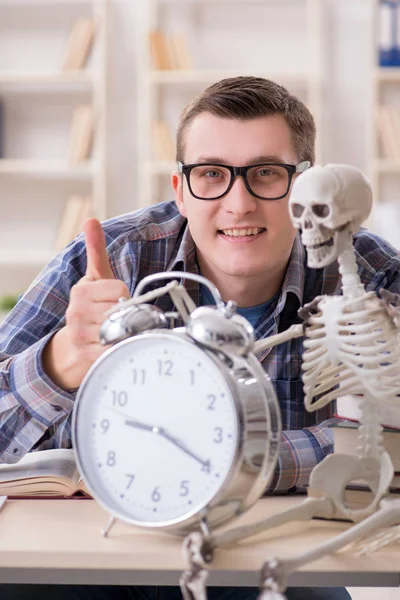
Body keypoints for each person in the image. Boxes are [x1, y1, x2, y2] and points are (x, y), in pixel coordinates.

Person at [1, 76, 399, 600]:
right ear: (181, 191)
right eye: (211, 174)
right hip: (99, 552)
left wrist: (231, 464)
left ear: (303, 189)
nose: (239, 204)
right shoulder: (109, 258)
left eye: (265, 174)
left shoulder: (368, 273)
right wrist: (56, 365)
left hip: (261, 555)